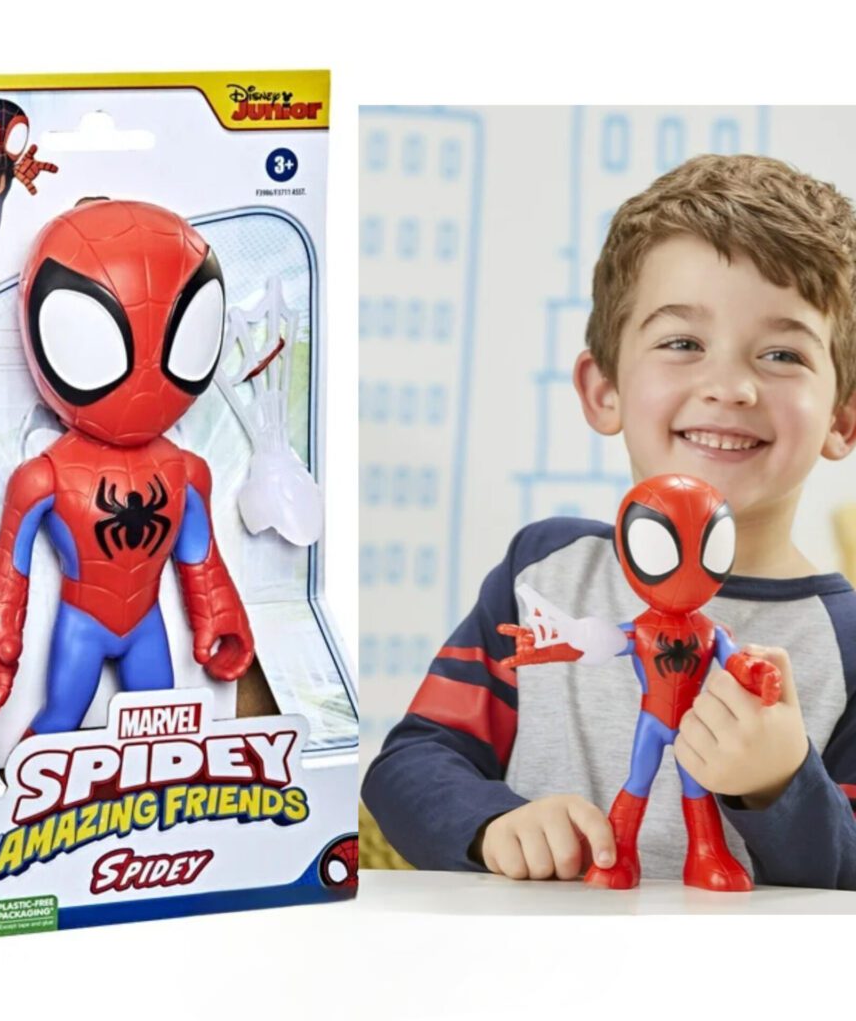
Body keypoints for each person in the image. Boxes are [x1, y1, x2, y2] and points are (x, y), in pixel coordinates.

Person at [362, 154, 856, 889]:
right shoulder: (540, 573)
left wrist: (782, 784)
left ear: (842, 419)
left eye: (782, 354)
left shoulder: (847, 642)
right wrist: (493, 824)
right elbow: (410, 762)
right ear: (604, 391)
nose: (730, 387)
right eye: (683, 343)